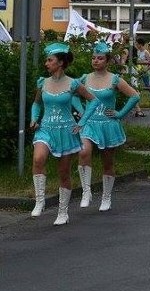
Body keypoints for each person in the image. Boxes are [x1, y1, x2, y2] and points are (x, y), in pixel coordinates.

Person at [29, 42, 99, 225]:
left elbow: (93, 101)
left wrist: (82, 122)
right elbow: (37, 103)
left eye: (49, 60)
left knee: (64, 173)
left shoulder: (73, 84)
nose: (46, 63)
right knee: (38, 159)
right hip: (45, 129)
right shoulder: (42, 82)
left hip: (66, 130)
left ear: (60, 63)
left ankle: (62, 212)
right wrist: (34, 118)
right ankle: (40, 201)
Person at [78, 41, 141, 211]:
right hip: (89, 123)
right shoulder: (84, 78)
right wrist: (80, 110)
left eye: (99, 58)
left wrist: (120, 114)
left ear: (107, 61)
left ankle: (106, 197)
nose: (96, 61)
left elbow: (135, 96)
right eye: (93, 58)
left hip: (108, 125)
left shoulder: (115, 80)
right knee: (83, 152)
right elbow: (70, 92)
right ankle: (86, 191)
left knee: (108, 163)